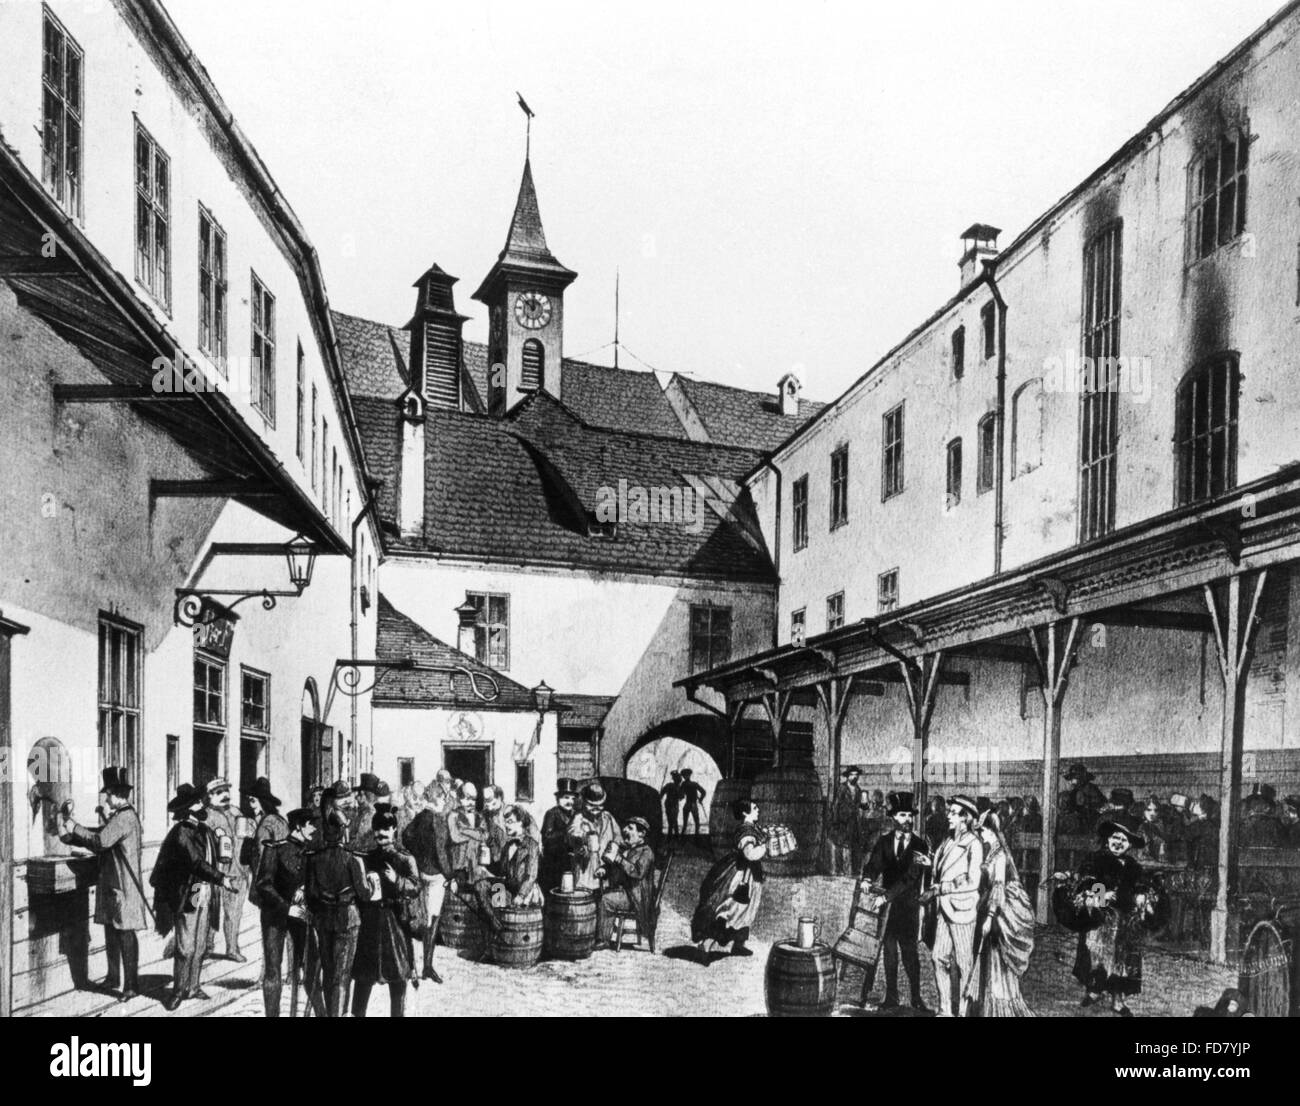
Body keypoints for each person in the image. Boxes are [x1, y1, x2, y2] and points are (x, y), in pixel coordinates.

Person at [57, 767, 146, 1002]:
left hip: (124, 888)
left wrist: (74, 827)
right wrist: (72, 835)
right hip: (113, 885)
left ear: (117, 794)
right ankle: (114, 977)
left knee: (125, 934)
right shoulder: (120, 818)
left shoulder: (125, 818)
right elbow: (101, 835)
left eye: (108, 794)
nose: (106, 798)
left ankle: (130, 986)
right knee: (111, 930)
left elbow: (99, 841)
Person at [150, 783, 234, 1011]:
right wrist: (222, 879)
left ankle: (193, 986)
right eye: (197, 803)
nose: (202, 805)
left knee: (200, 943)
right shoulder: (182, 832)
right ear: (187, 810)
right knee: (186, 945)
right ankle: (179, 990)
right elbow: (196, 863)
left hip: (203, 891)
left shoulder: (203, 829)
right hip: (190, 892)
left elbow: (213, 856)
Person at [1073, 814, 1154, 1017]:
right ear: (1108, 838)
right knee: (1098, 956)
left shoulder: (1133, 866)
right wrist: (1103, 894)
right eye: (1115, 837)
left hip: (1126, 919)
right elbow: (1087, 881)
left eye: (1124, 840)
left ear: (1130, 845)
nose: (1118, 843)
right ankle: (1094, 989)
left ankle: (1118, 999)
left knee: (1122, 960)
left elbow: (1142, 885)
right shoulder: (1096, 859)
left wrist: (1142, 895)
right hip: (1101, 917)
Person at [862, 791, 931, 1011]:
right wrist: (866, 878)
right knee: (889, 953)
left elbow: (910, 878)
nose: (908, 820)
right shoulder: (885, 841)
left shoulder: (920, 845)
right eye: (903, 815)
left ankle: (916, 998)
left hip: (907, 908)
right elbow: (874, 864)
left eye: (910, 815)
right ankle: (891, 997)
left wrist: (884, 896)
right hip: (888, 911)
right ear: (894, 817)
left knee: (910, 955)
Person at [964, 808, 1035, 1017]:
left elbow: (998, 887)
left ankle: (998, 1009)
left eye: (983, 831)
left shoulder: (1000, 855)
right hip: (989, 906)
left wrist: (990, 917)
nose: (981, 835)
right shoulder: (991, 851)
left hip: (1000, 912)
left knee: (996, 958)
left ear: (992, 831)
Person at [254, 808, 324, 1017]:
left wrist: (307, 893)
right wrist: (287, 907)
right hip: (275, 916)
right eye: (310, 824)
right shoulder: (274, 850)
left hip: (301, 917)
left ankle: (322, 1013)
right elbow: (263, 885)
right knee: (273, 970)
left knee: (311, 967)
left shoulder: (310, 853)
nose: (314, 829)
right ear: (299, 827)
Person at [352, 804, 420, 1018]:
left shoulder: (405, 859)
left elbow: (416, 887)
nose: (381, 832)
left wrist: (397, 880)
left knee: (398, 975)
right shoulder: (367, 857)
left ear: (394, 830)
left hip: (395, 922)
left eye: (386, 828)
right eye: (378, 828)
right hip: (370, 922)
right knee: (363, 977)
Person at [303, 798, 368, 1017]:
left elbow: (310, 894)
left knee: (329, 974)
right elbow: (364, 894)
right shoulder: (353, 860)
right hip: (347, 919)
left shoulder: (314, 860)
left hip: (323, 919)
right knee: (342, 976)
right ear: (342, 833)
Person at [924, 794, 984, 1017]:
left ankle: (966, 1012)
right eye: (949, 812)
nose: (948, 816)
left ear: (965, 818)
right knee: (938, 957)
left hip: (962, 910)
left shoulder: (974, 844)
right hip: (944, 909)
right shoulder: (948, 841)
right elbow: (943, 867)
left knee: (964, 963)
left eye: (953, 813)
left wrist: (942, 888)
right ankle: (945, 1010)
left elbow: (972, 880)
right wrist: (930, 863)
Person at [691, 800, 767, 962]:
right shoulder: (746, 831)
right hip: (741, 876)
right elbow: (750, 854)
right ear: (745, 813)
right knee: (733, 910)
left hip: (750, 875)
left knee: (746, 911)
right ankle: (706, 944)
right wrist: (764, 848)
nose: (758, 810)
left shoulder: (752, 829)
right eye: (755, 808)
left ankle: (738, 944)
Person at [401, 785, 455, 983]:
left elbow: (406, 836)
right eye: (443, 798)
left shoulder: (420, 816)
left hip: (419, 872)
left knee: (417, 917)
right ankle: (427, 967)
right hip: (435, 876)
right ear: (438, 799)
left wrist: (418, 856)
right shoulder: (438, 820)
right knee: (432, 920)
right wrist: (450, 875)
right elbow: (441, 853)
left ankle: (413, 966)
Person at [204, 777, 251, 963]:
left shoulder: (236, 812)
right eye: (219, 792)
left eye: (226, 791)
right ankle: (206, 945)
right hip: (215, 872)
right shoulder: (206, 816)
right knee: (210, 909)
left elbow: (246, 837)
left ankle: (232, 948)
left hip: (238, 870)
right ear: (210, 796)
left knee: (234, 912)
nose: (224, 795)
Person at [598, 816, 657, 947]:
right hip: (627, 892)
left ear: (642, 834)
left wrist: (619, 859)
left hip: (637, 897)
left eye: (630, 828)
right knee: (601, 895)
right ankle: (601, 934)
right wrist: (604, 869)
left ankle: (603, 940)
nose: (625, 830)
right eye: (626, 827)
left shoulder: (646, 852)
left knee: (606, 900)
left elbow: (637, 872)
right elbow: (616, 866)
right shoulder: (628, 849)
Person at [244, 777, 289, 909]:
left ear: (262, 802)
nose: (251, 805)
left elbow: (262, 857)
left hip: (269, 883)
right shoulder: (279, 820)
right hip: (282, 880)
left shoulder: (266, 824)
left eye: (253, 801)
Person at [569, 781, 620, 890]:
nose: (596, 809)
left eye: (600, 805)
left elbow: (618, 838)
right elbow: (572, 834)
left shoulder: (608, 817)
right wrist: (583, 839)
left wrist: (611, 855)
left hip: (604, 869)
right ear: (584, 802)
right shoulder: (579, 818)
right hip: (585, 870)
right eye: (591, 805)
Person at [540, 777, 578, 894]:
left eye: (572, 798)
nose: (570, 801)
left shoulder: (576, 815)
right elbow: (547, 837)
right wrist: (567, 833)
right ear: (558, 798)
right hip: (554, 862)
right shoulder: (552, 814)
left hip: (571, 863)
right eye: (566, 797)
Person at [830, 767, 861, 876]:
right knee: (839, 844)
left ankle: (851, 871)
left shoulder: (858, 789)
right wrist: (835, 820)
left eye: (856, 774)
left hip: (853, 822)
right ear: (848, 776)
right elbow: (836, 804)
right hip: (842, 821)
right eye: (852, 774)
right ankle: (838, 870)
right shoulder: (842, 788)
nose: (854, 777)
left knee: (852, 845)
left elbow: (857, 805)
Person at [679, 769, 707, 837]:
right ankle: (696, 837)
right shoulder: (694, 784)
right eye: (684, 775)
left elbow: (681, 796)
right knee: (697, 823)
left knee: (685, 824)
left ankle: (682, 838)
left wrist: (681, 796)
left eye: (685, 775)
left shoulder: (683, 784)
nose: (685, 776)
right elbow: (703, 792)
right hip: (693, 805)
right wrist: (700, 799)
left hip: (687, 804)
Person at [660, 771, 683, 837]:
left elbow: (681, 797)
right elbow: (662, 793)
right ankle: (675, 835)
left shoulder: (673, 786)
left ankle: (672, 836)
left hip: (672, 804)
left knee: (672, 820)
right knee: (672, 820)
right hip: (671, 804)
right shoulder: (671, 785)